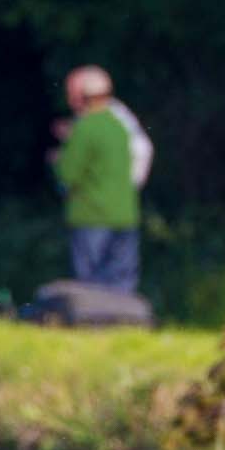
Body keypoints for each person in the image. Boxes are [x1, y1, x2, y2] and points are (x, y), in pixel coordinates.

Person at [51, 66, 142, 291]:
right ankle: (123, 323)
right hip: (125, 213)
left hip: (92, 215)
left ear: (84, 98)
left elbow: (68, 173)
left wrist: (58, 159)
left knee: (90, 286)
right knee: (121, 283)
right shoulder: (120, 125)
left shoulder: (86, 127)